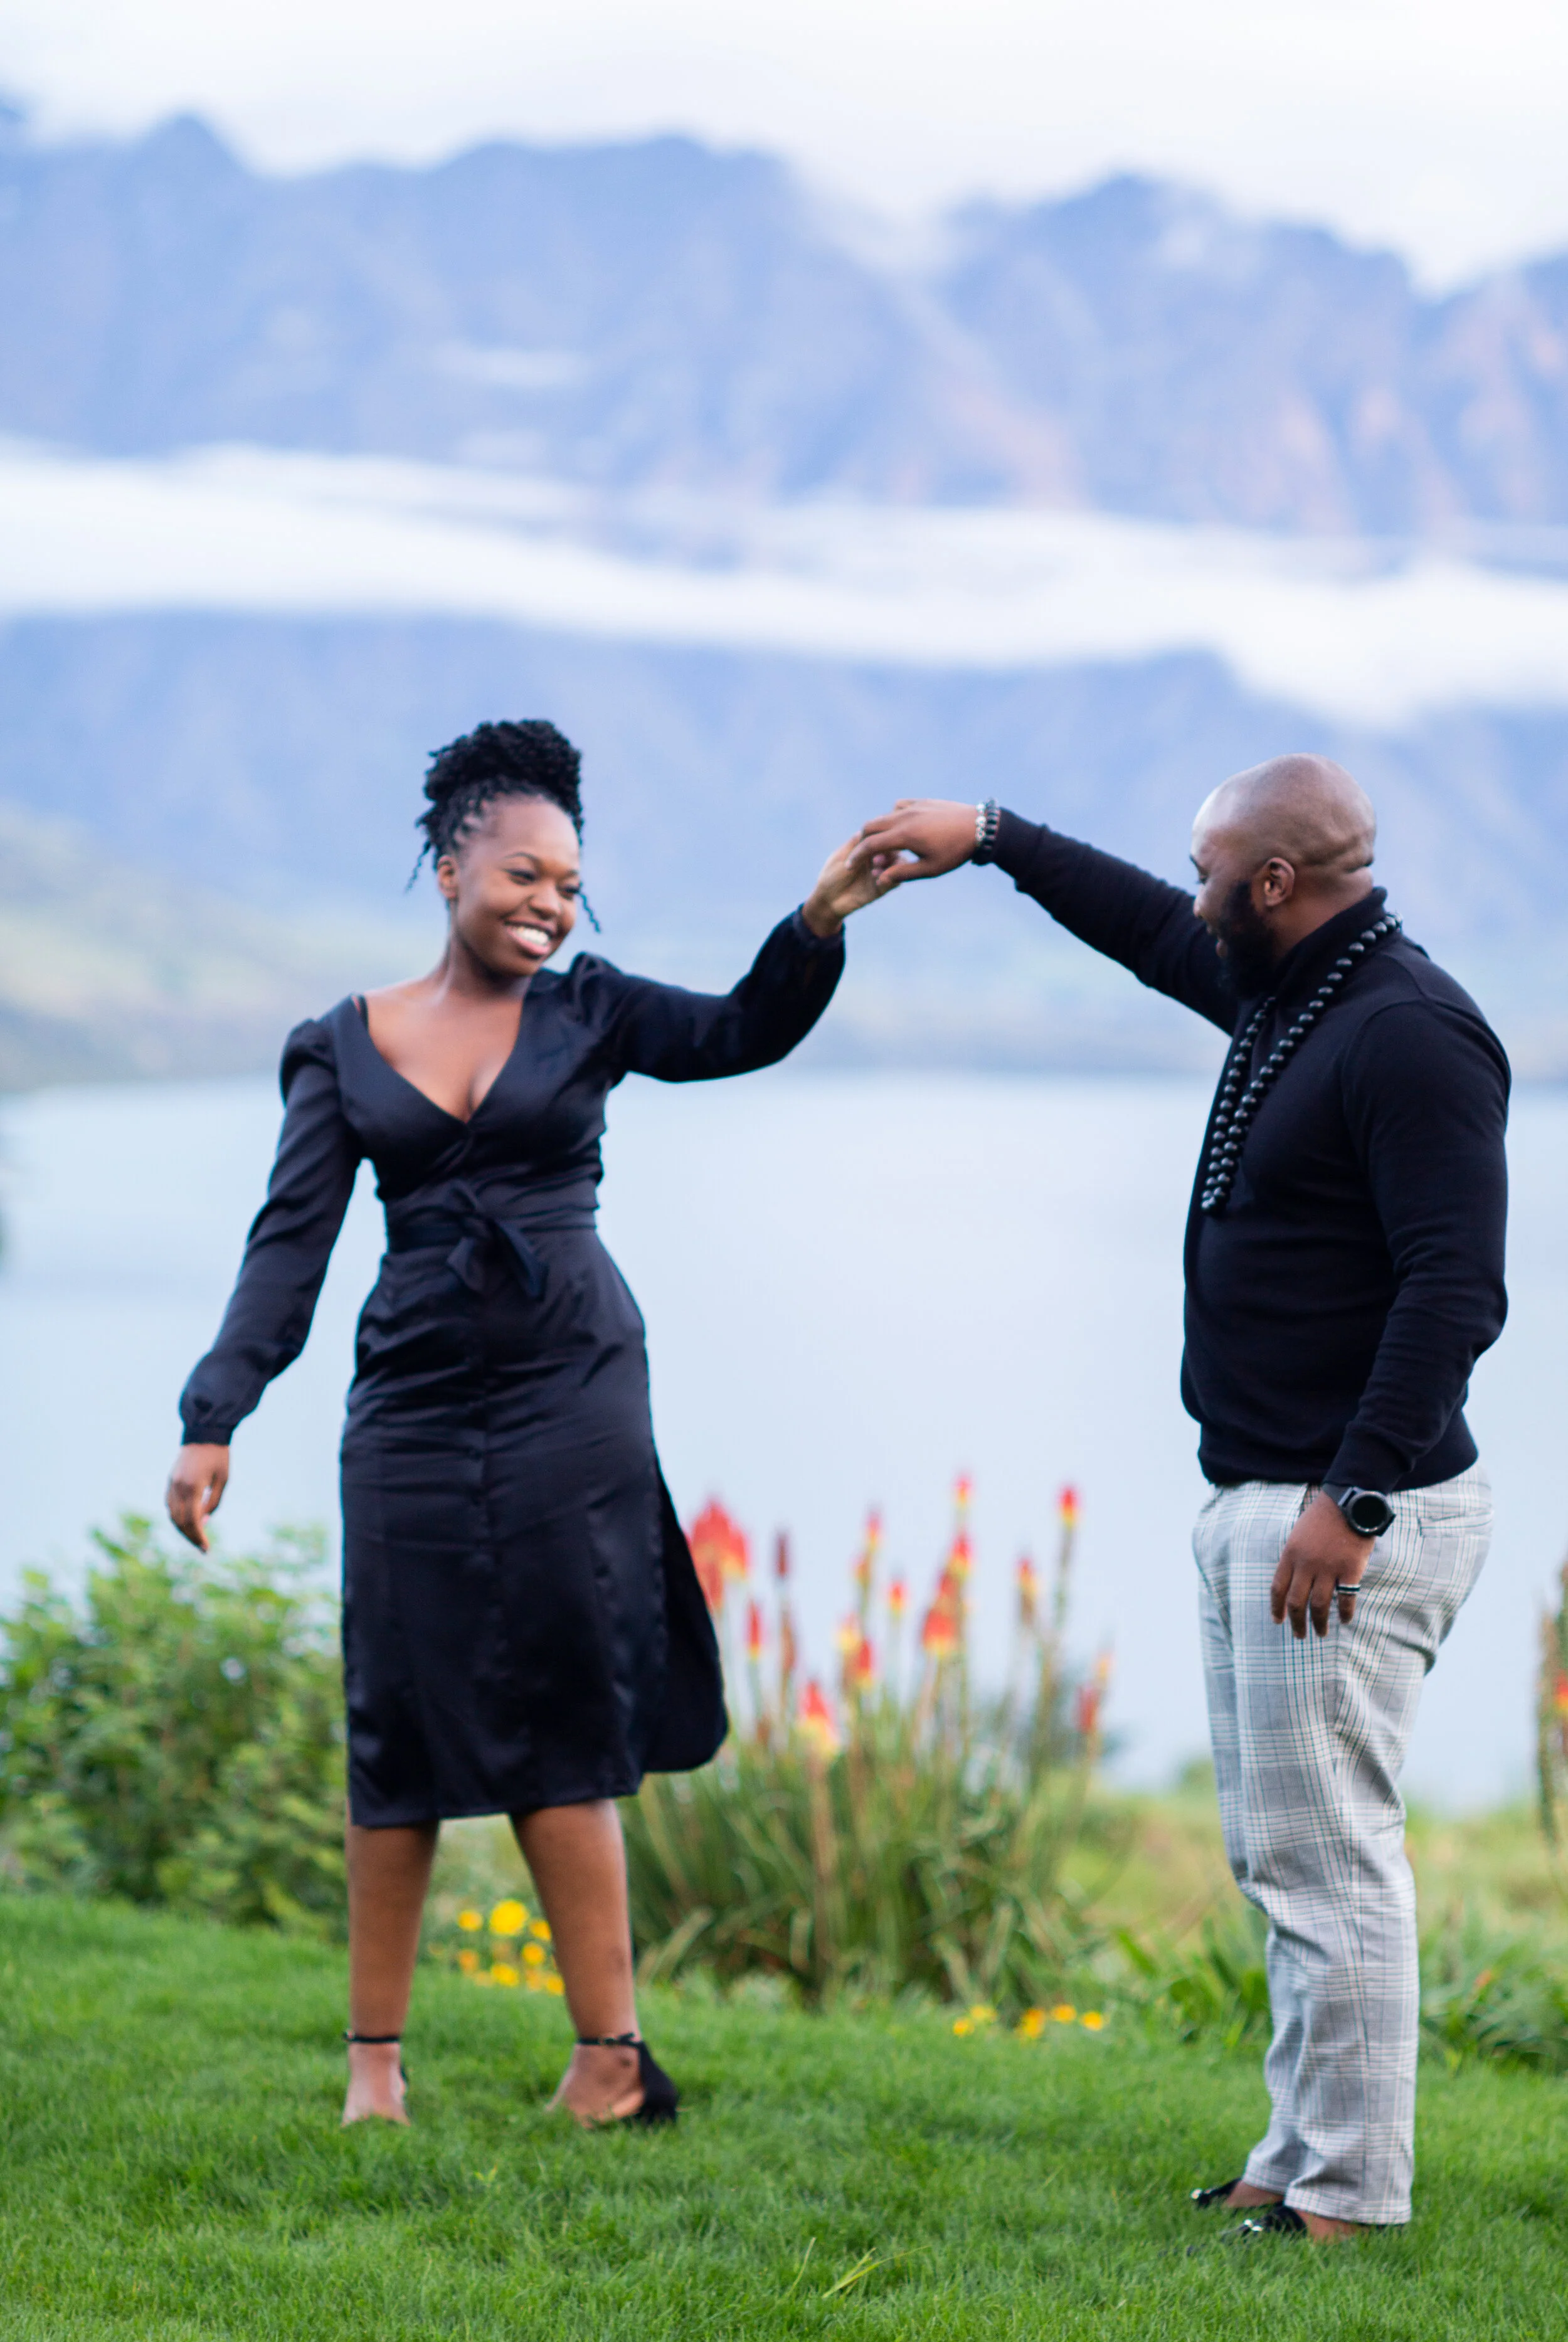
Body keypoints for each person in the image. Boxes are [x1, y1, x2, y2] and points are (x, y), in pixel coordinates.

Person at [167, 718, 891, 2129]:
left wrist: (813, 922)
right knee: (398, 1719)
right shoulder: (341, 1045)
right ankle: (373, 2068)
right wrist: (216, 1414)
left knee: (568, 1707)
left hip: (575, 1398)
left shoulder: (596, 1011)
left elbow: (743, 1031)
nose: (551, 905)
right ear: (449, 869)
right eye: (523, 876)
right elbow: (289, 1249)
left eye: (570, 883)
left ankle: (608, 2064)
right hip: (413, 1413)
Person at [856, 758, 1508, 2240]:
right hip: (1273, 1502)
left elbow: (1455, 1288)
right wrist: (1001, 841)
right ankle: (1294, 2159)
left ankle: (1346, 2197)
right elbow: (1152, 931)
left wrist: (1350, 1498)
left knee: (1329, 1860)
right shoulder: (1294, 996)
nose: (1194, 895)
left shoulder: (1406, 1035)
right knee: (1280, 1858)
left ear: (1273, 885)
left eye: (1211, 872)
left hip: (1340, 1518)